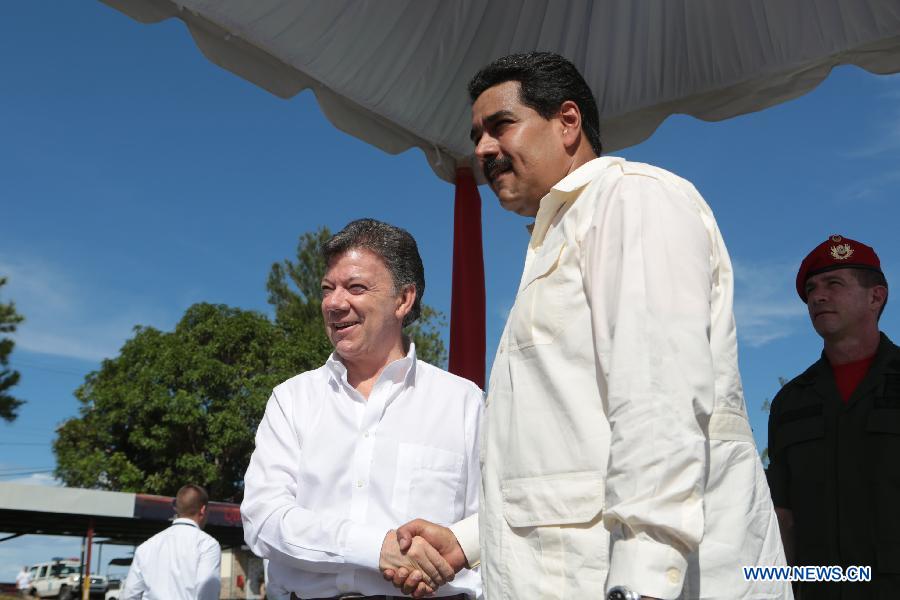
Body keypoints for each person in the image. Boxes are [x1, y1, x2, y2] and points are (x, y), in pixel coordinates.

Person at [387, 51, 790, 600]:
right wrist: (464, 542)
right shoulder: (560, 238)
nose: (482, 148)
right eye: (476, 134)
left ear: (568, 122)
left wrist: (643, 580)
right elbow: (564, 461)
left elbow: (658, 399)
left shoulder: (632, 199)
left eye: (500, 125)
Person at [240, 219, 482, 599]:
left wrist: (445, 560)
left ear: (404, 300)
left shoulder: (464, 401)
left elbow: (491, 520)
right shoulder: (291, 399)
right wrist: (377, 548)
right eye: (327, 289)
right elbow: (262, 520)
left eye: (355, 287)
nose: (334, 303)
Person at [767, 234, 894, 599]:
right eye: (811, 289)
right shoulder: (790, 402)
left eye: (833, 284)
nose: (817, 296)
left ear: (875, 297)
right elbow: (782, 516)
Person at [121, 484, 221, 600]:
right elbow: (207, 590)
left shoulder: (146, 547)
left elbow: (129, 595)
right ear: (203, 510)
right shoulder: (207, 545)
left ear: (177, 508)